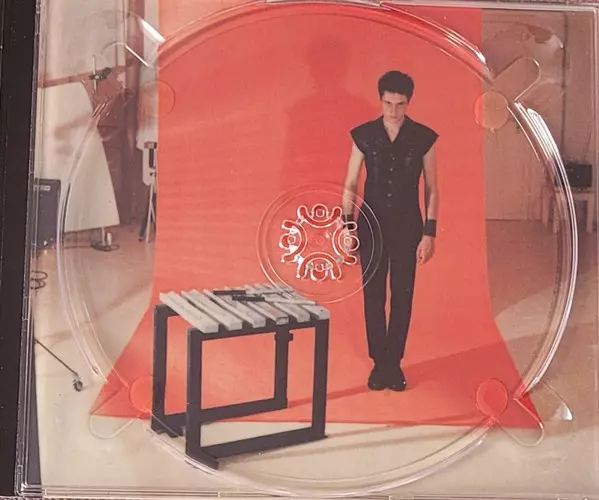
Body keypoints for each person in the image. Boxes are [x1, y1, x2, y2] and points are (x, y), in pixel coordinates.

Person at [341, 70, 439, 392]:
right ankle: (378, 363)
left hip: (408, 227)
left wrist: (429, 232)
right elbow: (351, 183)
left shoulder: (424, 138)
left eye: (400, 104)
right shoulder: (364, 135)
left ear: (409, 102)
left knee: (402, 295)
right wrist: (347, 226)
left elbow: (432, 188)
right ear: (380, 100)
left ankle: (393, 363)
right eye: (388, 103)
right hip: (371, 226)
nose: (394, 111)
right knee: (373, 296)